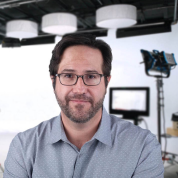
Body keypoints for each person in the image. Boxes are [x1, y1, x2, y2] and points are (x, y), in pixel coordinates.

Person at [4, 34, 164, 178]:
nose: (80, 89)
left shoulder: (143, 146)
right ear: (53, 81)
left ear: (106, 82)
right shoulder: (23, 147)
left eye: (91, 76)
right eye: (68, 75)